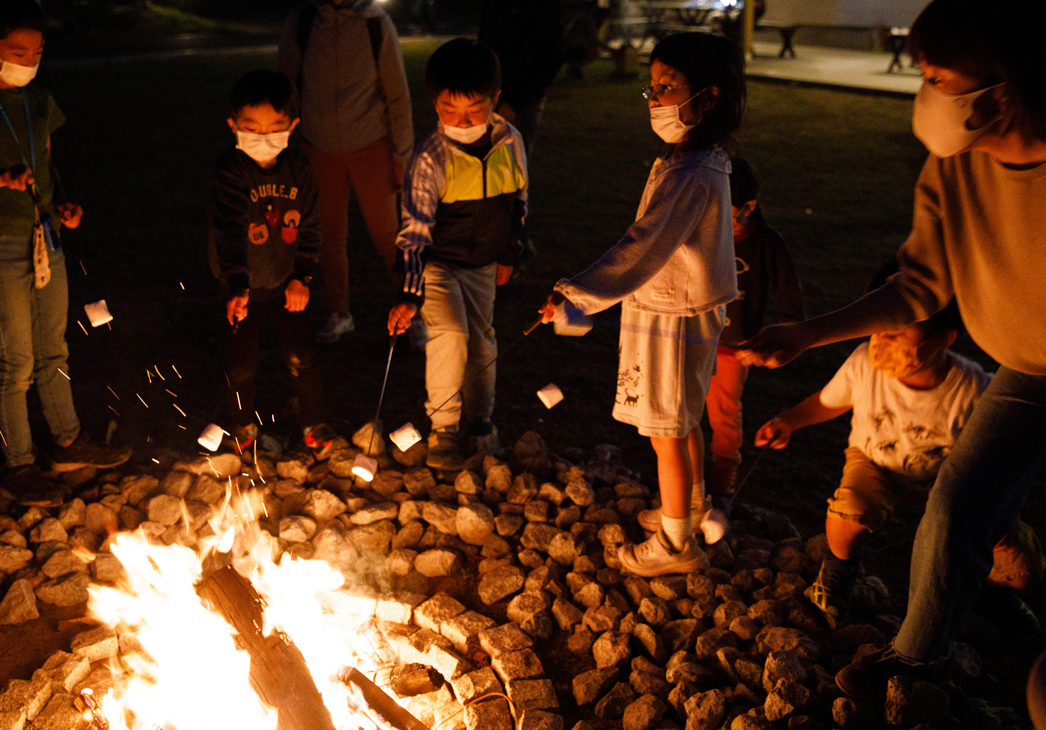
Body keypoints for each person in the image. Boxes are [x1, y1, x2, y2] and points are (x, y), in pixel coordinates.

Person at [736, 0, 1046, 700]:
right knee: (956, 505)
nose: (926, 90)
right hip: (1024, 374)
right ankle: (920, 656)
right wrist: (807, 334)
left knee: (985, 519)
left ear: (1003, 80)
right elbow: (919, 283)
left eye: (938, 74)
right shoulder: (956, 166)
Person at [538, 32, 745, 577]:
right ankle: (690, 508)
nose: (654, 98)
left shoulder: (691, 173)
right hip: (680, 309)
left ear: (710, 96)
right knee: (683, 421)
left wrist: (573, 294)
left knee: (666, 431)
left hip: (673, 318)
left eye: (668, 87)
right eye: (651, 87)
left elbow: (642, 246)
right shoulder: (700, 161)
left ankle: (677, 545)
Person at [755, 262, 1042, 630]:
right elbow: (830, 401)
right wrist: (788, 421)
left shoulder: (972, 389)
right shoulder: (863, 365)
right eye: (877, 330)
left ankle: (987, 590)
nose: (881, 341)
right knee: (847, 513)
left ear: (943, 338)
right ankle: (838, 572)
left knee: (1022, 567)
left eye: (897, 332)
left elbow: (1001, 444)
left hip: (947, 479)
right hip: (873, 463)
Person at [0, 0, 130, 508]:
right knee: (15, 361)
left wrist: (62, 203)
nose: (28, 60)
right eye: (16, 51)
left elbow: (47, 164)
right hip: (4, 244)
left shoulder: (39, 101)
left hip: (43, 236)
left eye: (36, 51)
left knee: (54, 346)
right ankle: (20, 464)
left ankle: (69, 442)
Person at [386, 39, 526, 470]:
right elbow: (413, 230)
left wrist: (510, 253)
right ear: (435, 105)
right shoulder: (431, 158)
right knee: (450, 334)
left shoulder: (509, 142)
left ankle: (480, 423)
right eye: (450, 110)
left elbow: (518, 200)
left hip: (483, 263)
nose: (462, 121)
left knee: (483, 341)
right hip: (440, 265)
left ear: (495, 100)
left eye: (474, 110)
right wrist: (409, 293)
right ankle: (444, 429)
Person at [208, 70, 335, 461]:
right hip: (242, 287)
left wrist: (302, 276)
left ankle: (314, 423)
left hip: (286, 283)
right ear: (233, 126)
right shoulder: (231, 171)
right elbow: (230, 228)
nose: (263, 139)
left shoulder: (298, 167)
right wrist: (237, 284)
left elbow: (311, 224)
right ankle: (242, 426)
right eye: (251, 128)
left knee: (301, 355)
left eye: (274, 129)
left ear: (292, 126)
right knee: (242, 360)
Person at [278, 0, 413, 344]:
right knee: (328, 235)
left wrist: (402, 155)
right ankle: (339, 313)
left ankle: (412, 311)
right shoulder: (304, 21)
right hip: (318, 145)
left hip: (370, 144)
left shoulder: (375, 24)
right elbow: (285, 82)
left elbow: (398, 94)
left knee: (388, 236)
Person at [706, 158, 803, 495]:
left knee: (723, 410)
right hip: (693, 338)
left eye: (724, 207)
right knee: (682, 405)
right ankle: (685, 478)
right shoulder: (703, 234)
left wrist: (780, 338)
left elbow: (790, 297)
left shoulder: (766, 243)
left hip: (734, 346)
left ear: (749, 206)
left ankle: (723, 469)